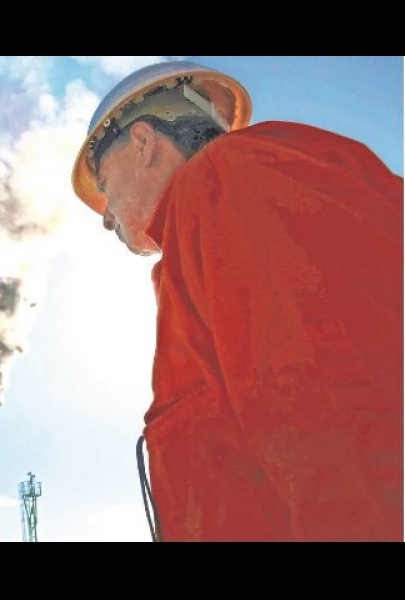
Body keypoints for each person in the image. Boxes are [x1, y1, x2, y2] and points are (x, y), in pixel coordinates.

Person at [71, 60, 402, 541]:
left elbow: (331, 411)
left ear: (142, 142)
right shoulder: (202, 229)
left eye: (104, 185)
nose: (106, 217)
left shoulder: (229, 180)